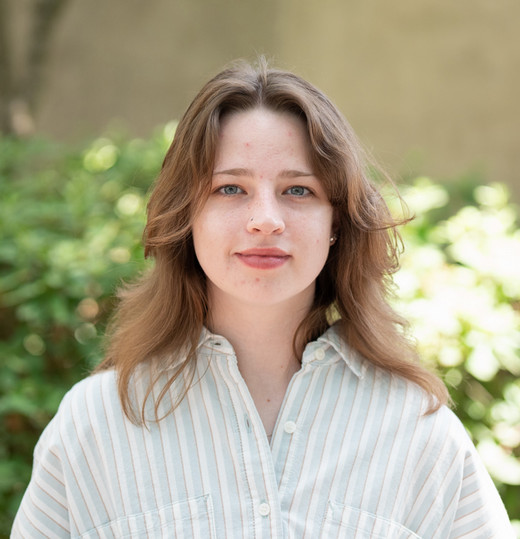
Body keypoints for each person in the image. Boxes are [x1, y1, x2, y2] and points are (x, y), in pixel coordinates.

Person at [12, 59, 513, 539]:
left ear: (336, 222)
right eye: (231, 189)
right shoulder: (95, 426)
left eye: (298, 191)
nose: (266, 219)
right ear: (188, 214)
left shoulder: (416, 429)